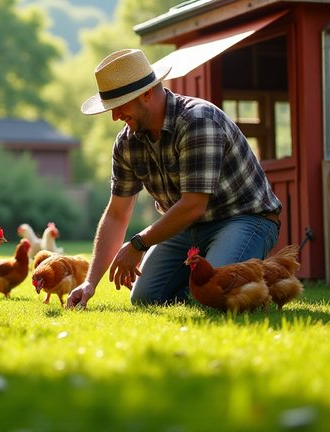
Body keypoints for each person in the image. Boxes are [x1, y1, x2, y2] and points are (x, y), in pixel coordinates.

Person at [65, 48, 282, 309]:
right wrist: (90, 282)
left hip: (243, 219)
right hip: (186, 228)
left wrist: (138, 244)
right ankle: (201, 291)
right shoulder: (126, 143)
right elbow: (116, 214)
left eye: (119, 106)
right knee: (145, 299)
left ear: (145, 94)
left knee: (216, 294)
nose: (114, 116)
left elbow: (193, 205)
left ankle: (261, 288)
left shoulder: (197, 121)